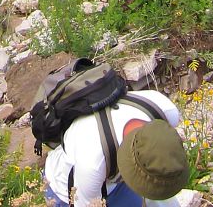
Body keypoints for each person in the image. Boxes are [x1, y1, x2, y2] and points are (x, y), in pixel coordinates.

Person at [43, 87, 189, 207]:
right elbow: (86, 203)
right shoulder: (93, 160)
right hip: (67, 191)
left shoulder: (163, 109)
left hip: (114, 179)